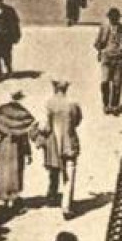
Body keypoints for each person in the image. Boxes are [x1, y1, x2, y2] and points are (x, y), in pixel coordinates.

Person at [36, 80, 82, 218]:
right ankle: (66, 206)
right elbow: (78, 121)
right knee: (69, 173)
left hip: (54, 143)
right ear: (66, 89)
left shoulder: (49, 103)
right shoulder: (73, 104)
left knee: (54, 169)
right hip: (69, 142)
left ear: (54, 88)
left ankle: (52, 195)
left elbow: (45, 126)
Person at [0, 90, 34, 211]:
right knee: (15, 172)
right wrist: (28, 153)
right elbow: (25, 135)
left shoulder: (1, 110)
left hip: (3, 145)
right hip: (17, 147)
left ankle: (5, 198)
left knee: (3, 172)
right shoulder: (23, 113)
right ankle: (14, 198)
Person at [94, 8, 122, 115]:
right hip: (106, 59)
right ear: (109, 18)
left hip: (119, 60)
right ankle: (106, 105)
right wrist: (100, 49)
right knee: (104, 82)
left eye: (115, 18)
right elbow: (97, 43)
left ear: (118, 18)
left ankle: (115, 106)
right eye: (111, 18)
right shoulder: (104, 28)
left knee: (117, 84)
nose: (113, 20)